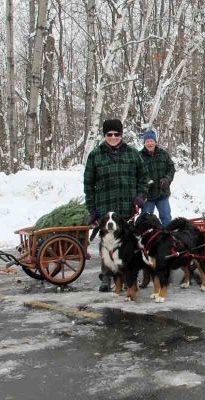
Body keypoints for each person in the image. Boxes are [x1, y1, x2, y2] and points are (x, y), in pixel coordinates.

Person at [84, 118, 148, 291]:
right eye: (109, 134)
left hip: (127, 207)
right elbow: (88, 184)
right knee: (106, 244)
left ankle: (128, 275)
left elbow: (143, 177)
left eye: (116, 134)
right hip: (105, 208)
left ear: (121, 134)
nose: (113, 137)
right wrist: (92, 208)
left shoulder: (133, 153)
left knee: (128, 244)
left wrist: (140, 196)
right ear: (105, 135)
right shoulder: (95, 155)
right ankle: (107, 277)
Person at [140, 129, 175, 227]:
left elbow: (171, 168)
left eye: (152, 141)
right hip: (147, 195)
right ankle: (144, 239)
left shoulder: (164, 154)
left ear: (155, 142)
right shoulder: (139, 156)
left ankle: (167, 238)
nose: (150, 143)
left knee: (166, 217)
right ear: (144, 143)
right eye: (147, 141)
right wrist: (145, 182)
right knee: (145, 219)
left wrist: (167, 179)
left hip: (162, 193)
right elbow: (136, 173)